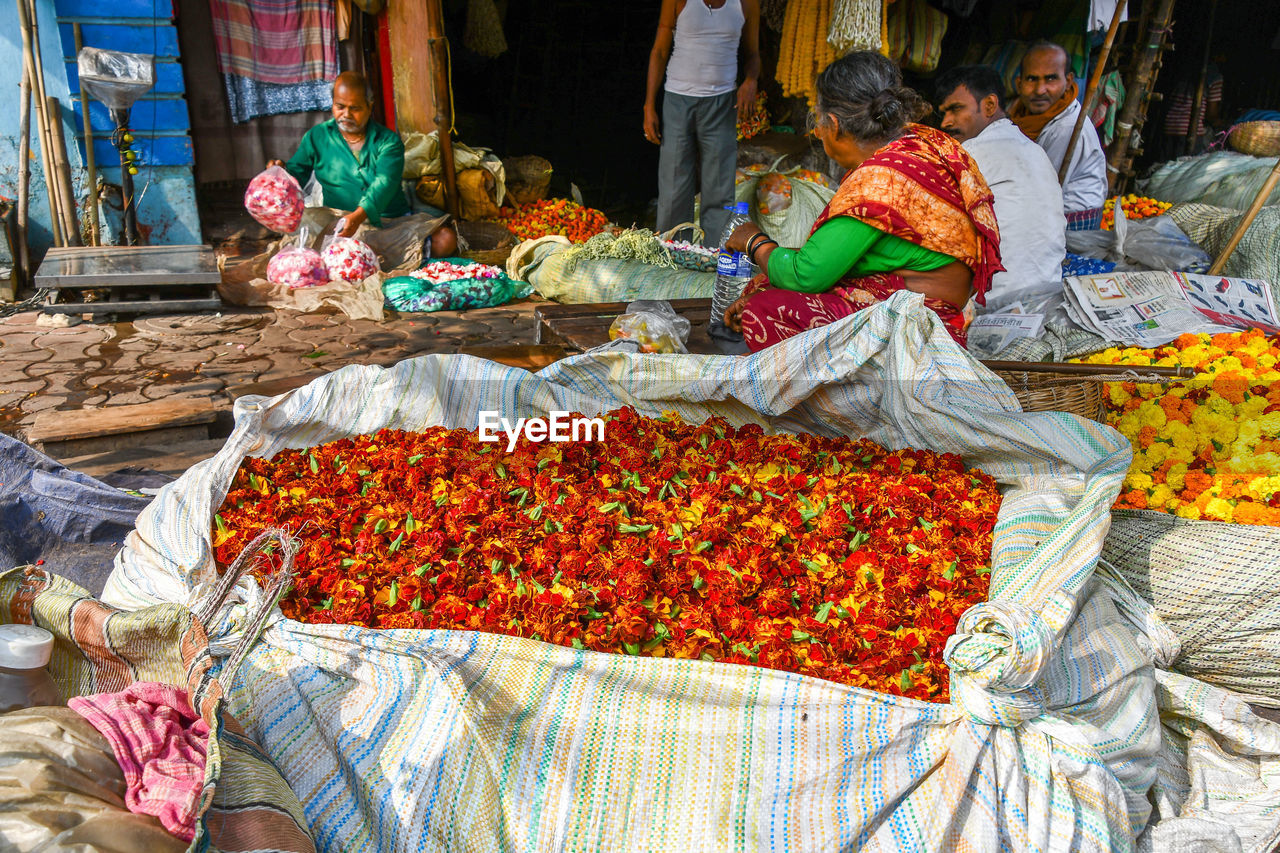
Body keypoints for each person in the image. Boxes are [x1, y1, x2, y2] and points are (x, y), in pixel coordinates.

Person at [722, 51, 1003, 350]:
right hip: (933, 305)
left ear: (833, 123)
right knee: (766, 280)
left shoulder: (879, 180)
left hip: (915, 323)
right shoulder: (924, 144)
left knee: (764, 309)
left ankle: (834, 394)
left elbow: (804, 276)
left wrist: (754, 240)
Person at [269, 71, 457, 260]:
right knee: (337, 257)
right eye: (340, 106)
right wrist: (279, 174)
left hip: (390, 223)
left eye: (355, 108)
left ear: (370, 106)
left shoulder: (388, 141)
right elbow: (295, 176)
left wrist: (359, 216)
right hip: (340, 225)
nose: (346, 114)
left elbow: (384, 184)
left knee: (445, 240)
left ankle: (382, 255)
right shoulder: (316, 137)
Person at [936, 65, 1066, 308]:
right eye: (943, 113)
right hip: (1047, 295)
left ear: (989, 105)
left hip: (992, 303)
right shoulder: (1035, 150)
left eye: (956, 109)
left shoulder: (968, 156)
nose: (946, 122)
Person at [644, 0, 760, 245]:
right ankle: (671, 251)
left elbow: (752, 54)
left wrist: (751, 81)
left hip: (722, 102)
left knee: (719, 186)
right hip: (678, 99)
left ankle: (712, 257)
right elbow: (660, 52)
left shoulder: (746, 3)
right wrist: (649, 105)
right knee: (674, 184)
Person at [1008, 42, 1108, 230]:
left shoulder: (1067, 126)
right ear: (1019, 83)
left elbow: (1043, 190)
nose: (1040, 90)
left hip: (1072, 219)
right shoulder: (1020, 114)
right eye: (1032, 79)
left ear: (1069, 81)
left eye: (1051, 79)